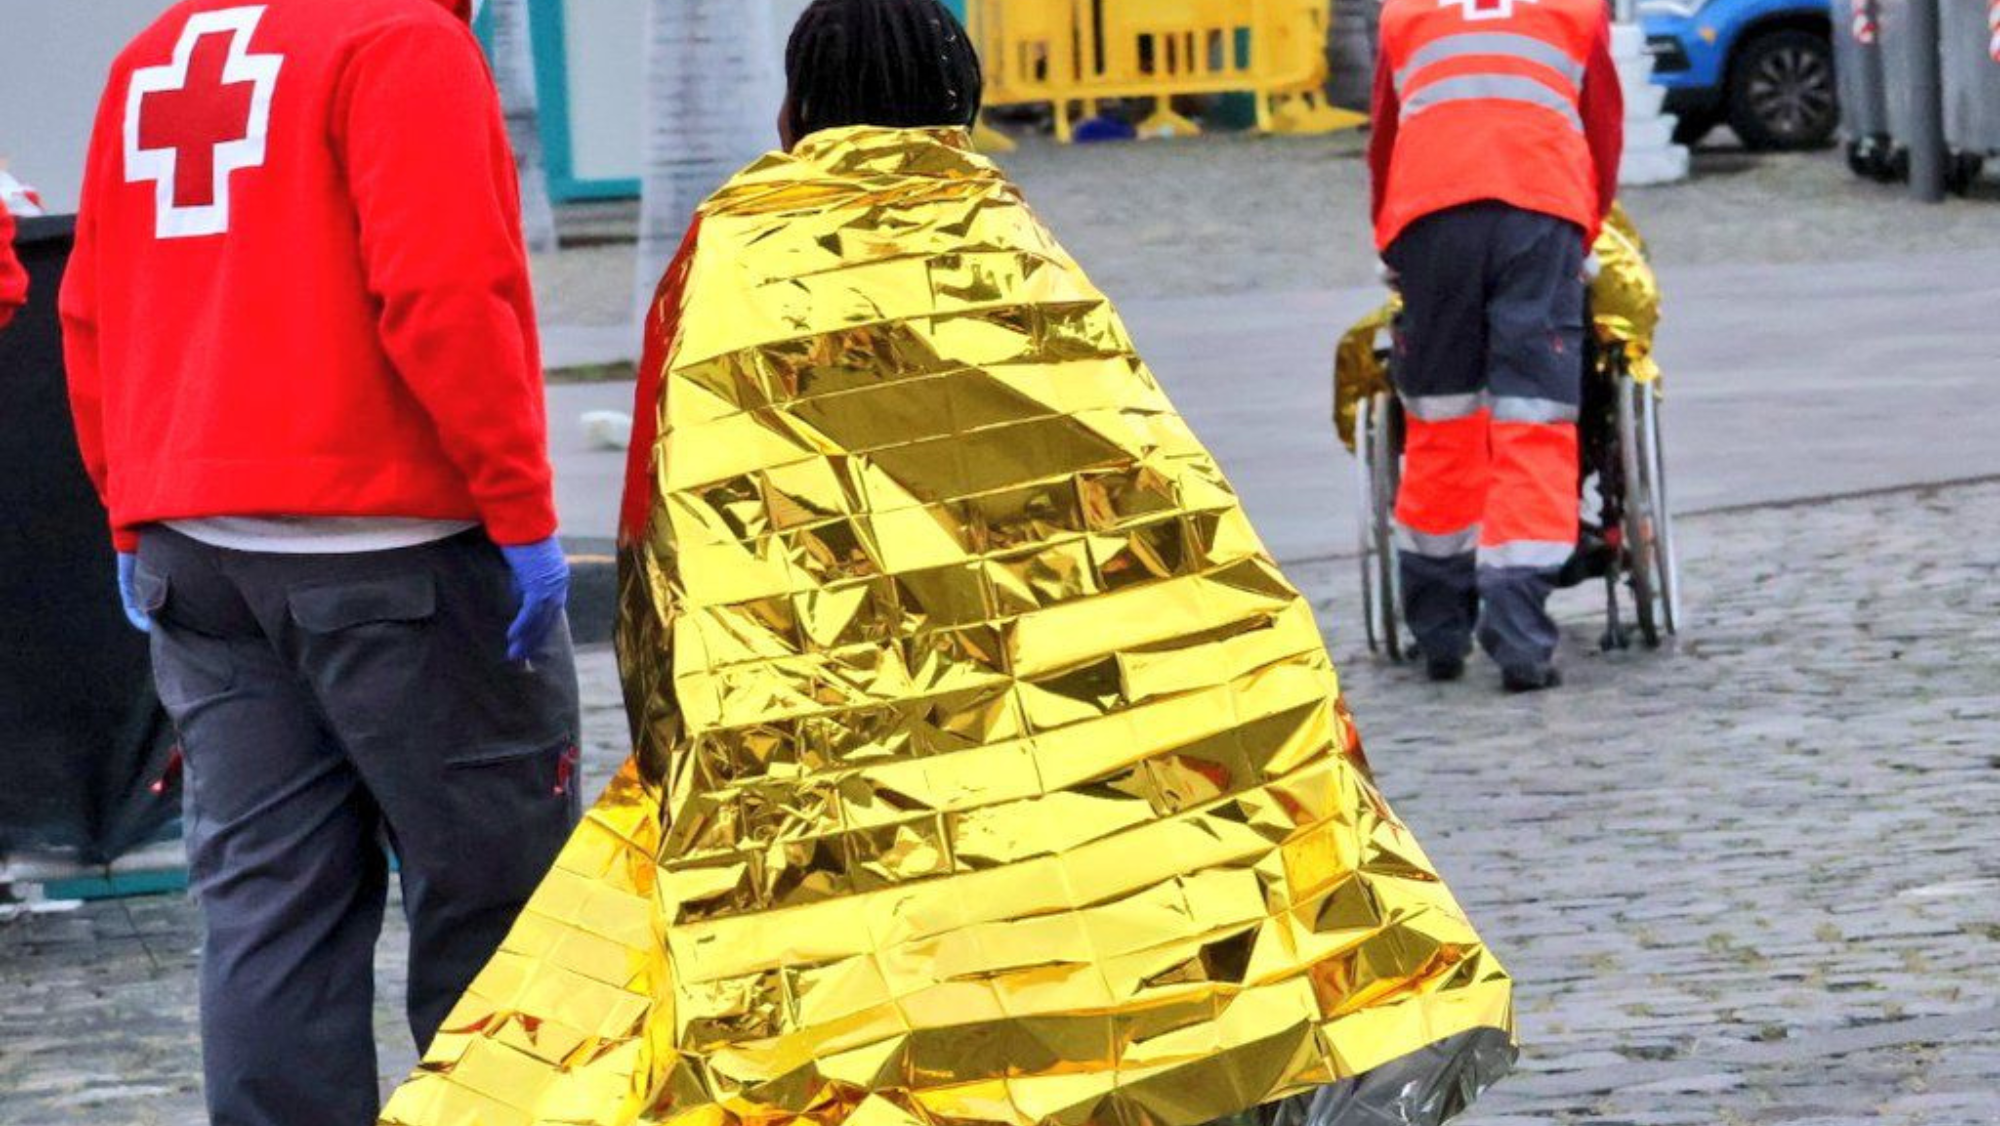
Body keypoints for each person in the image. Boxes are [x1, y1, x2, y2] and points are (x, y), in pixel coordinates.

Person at [377, 3, 1516, 1125]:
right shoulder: (1001, 233)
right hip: (1050, 697)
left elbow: (666, 518)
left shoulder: (731, 244)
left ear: (795, 105)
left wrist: (673, 728)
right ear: (956, 95)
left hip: (815, 713)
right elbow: (1152, 480)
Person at [59, 1, 579, 1122]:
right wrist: (521, 511)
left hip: (194, 553)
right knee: (501, 899)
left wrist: (124, 510)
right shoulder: (398, 42)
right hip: (397, 550)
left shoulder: (156, 53)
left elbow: (92, 305)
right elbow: (444, 292)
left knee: (268, 910)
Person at [1367, 0, 1624, 692]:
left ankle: (1439, 627)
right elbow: (1601, 125)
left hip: (1430, 211)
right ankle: (1519, 636)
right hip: (1540, 205)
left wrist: (1389, 239)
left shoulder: (1405, 12)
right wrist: (1586, 226)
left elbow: (1387, 137)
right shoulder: (1577, 8)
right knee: (1533, 416)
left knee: (1440, 418)